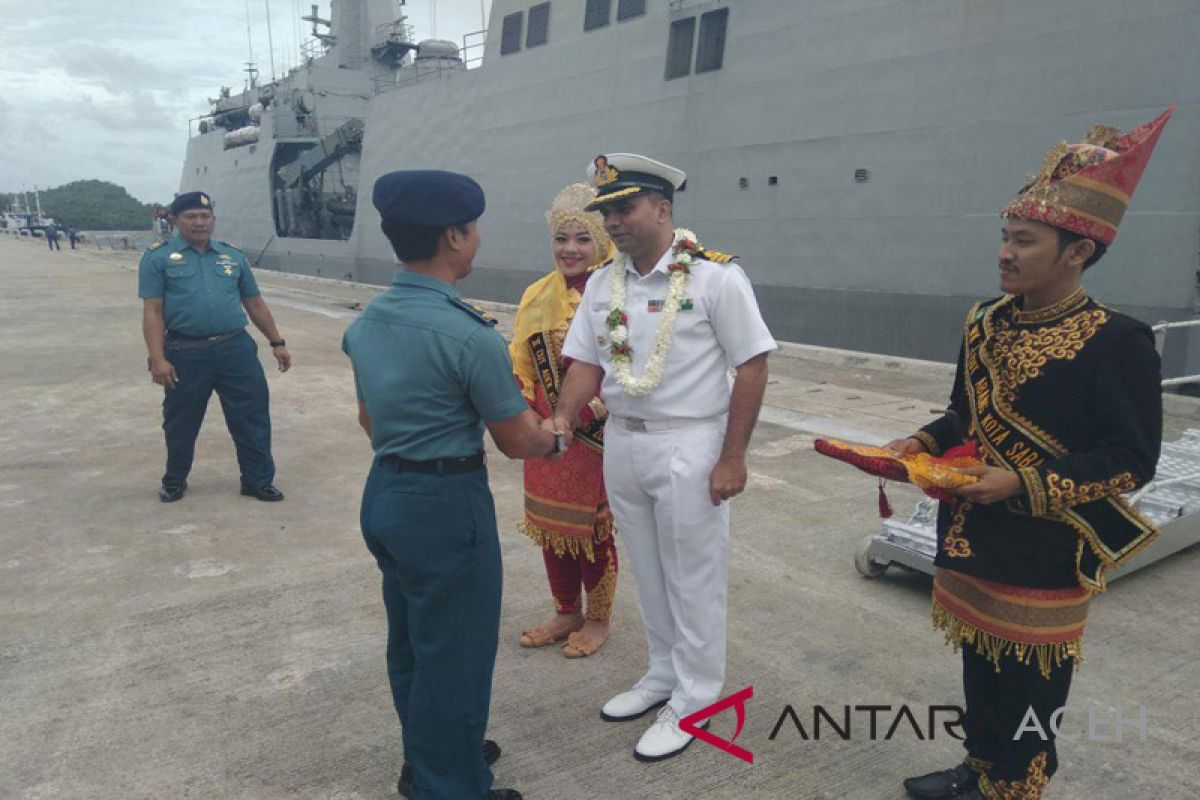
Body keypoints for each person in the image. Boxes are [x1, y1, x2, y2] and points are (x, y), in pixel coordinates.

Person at [889, 107, 1173, 800]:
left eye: (1024, 241)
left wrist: (1020, 481)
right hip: (971, 527)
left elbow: (1131, 458)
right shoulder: (984, 320)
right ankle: (980, 769)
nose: (1005, 254)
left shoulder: (1118, 341)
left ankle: (1019, 783)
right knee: (981, 663)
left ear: (1076, 251)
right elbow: (965, 407)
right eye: (1004, 238)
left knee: (1032, 679)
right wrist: (921, 440)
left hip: (1048, 547)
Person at [343, 170, 562, 800]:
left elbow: (369, 419)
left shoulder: (368, 322)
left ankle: (433, 753)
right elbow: (518, 441)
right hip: (446, 505)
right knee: (457, 655)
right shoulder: (468, 335)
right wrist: (561, 431)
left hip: (386, 492)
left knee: (413, 640)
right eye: (474, 227)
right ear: (454, 236)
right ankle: (451, 787)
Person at [553, 153, 777, 761]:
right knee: (650, 570)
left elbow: (752, 364)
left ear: (663, 208)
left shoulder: (714, 278)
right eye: (606, 212)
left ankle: (699, 696)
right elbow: (586, 363)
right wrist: (563, 417)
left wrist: (733, 457)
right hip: (624, 440)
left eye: (623, 208)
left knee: (693, 576)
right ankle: (661, 676)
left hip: (691, 440)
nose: (613, 222)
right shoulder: (605, 282)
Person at [510, 183, 619, 658]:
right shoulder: (536, 295)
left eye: (582, 238)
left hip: (598, 436)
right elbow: (521, 365)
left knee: (592, 532)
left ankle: (597, 619)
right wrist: (529, 418)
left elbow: (631, 372)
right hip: (546, 435)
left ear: (603, 241)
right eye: (561, 238)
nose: (570, 249)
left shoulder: (620, 292)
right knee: (551, 529)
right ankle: (566, 610)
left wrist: (586, 413)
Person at [137, 191, 290, 503]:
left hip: (235, 348)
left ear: (213, 220)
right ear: (176, 220)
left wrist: (276, 342)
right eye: (191, 217)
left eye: (205, 217)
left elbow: (255, 303)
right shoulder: (158, 258)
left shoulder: (232, 256)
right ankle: (175, 480)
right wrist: (157, 358)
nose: (199, 222)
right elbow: (152, 310)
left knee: (252, 416)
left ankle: (257, 480)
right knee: (181, 421)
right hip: (184, 351)